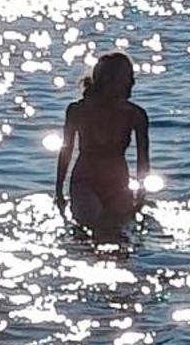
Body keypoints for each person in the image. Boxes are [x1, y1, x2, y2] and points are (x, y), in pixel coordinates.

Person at [54, 51, 150, 238]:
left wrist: (141, 195)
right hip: (84, 183)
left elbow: (143, 161)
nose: (132, 83)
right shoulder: (77, 110)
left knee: (117, 234)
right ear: (107, 80)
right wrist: (58, 190)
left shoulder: (136, 115)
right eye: (126, 78)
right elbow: (66, 150)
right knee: (91, 226)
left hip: (119, 185)